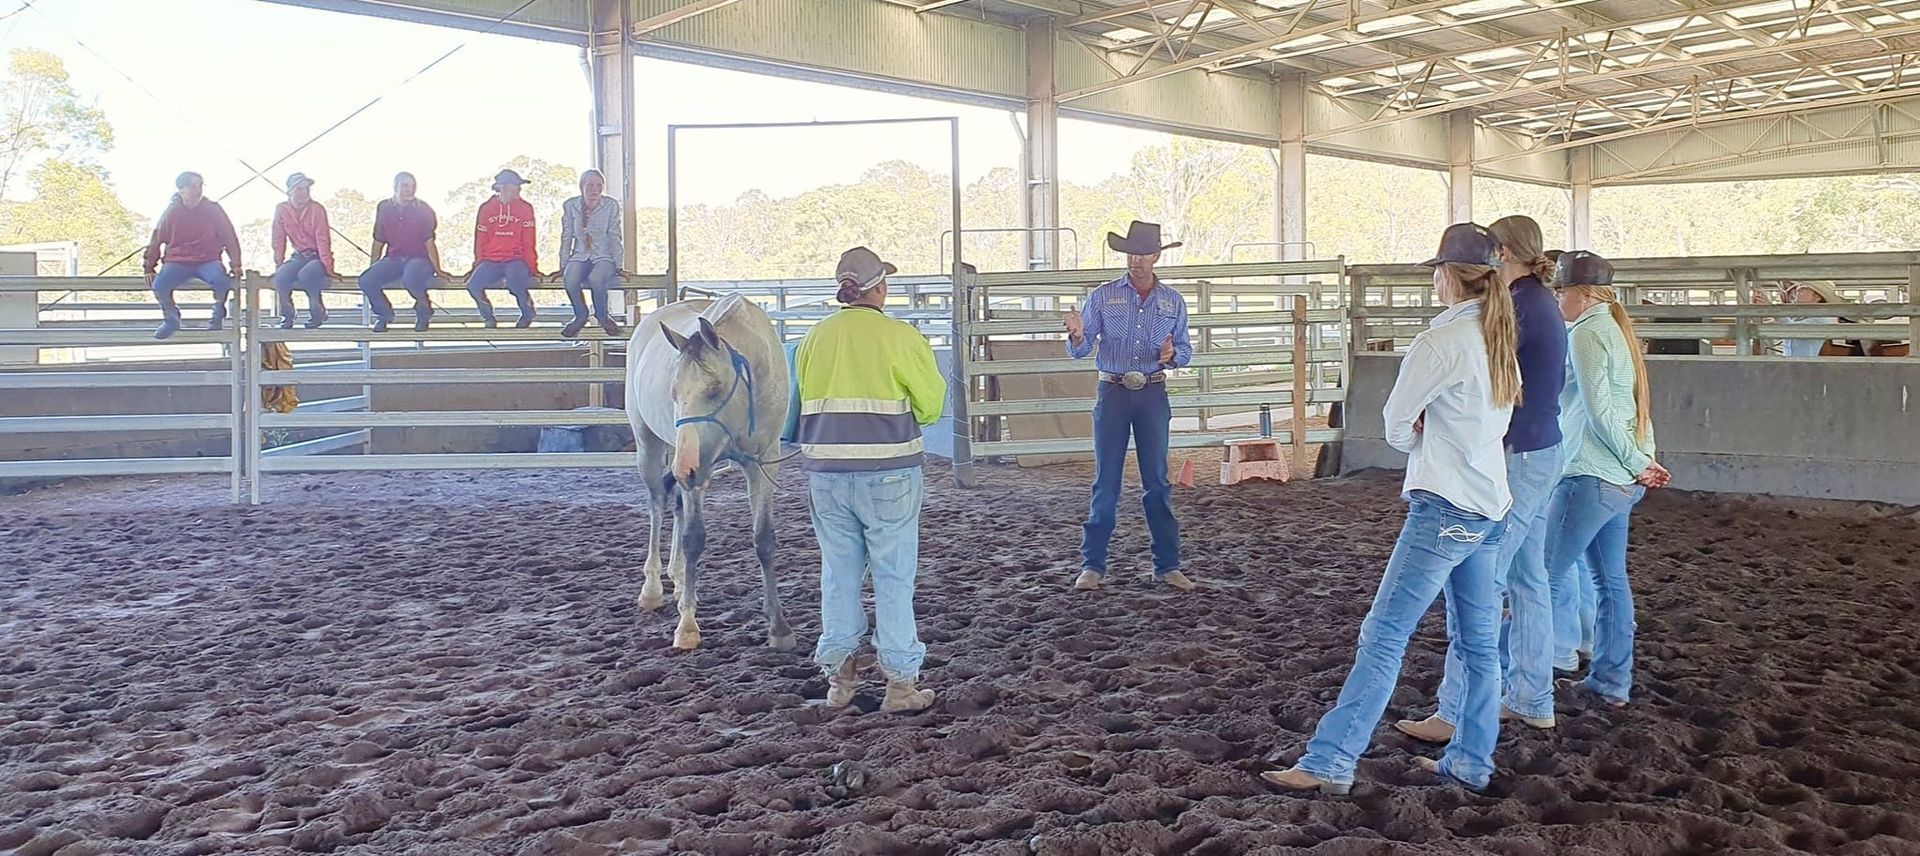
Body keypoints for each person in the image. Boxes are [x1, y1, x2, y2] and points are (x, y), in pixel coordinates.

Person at [1263, 223, 1519, 795]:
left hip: (1445, 505)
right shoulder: (1497, 337)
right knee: (1478, 643)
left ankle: (1331, 759)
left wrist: (1420, 433)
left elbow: (1396, 426)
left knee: (1384, 635)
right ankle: (1472, 761)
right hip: (1489, 504)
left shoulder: (1440, 343)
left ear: (1447, 275)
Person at [1395, 214, 1567, 745]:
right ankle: (1532, 696)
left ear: (1505, 254)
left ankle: (1455, 709)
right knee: (1528, 579)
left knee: (1483, 583)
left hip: (1514, 454)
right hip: (1543, 447)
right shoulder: (1539, 303)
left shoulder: (1514, 309)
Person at [796, 247, 948, 714]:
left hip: (826, 474)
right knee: (893, 574)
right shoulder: (901, 337)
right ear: (880, 287)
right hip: (889, 474)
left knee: (838, 574)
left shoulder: (814, 339)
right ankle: (900, 686)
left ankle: (840, 681)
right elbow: (930, 407)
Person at [1543, 251, 1670, 708]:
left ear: (1579, 293)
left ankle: (1526, 684)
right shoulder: (1616, 331)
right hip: (1619, 480)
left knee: (1542, 577)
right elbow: (1623, 407)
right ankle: (1612, 681)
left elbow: (1598, 412)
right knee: (1610, 582)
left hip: (1591, 473)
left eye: (1560, 290)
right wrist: (1641, 460)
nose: (1557, 298)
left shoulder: (1587, 334)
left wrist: (1636, 460)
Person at [1062, 220, 1195, 593]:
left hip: (1152, 390)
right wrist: (1076, 335)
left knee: (1157, 480)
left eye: (1143, 254)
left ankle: (1167, 564)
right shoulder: (1103, 297)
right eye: (1131, 253)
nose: (1136, 260)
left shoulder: (1173, 301)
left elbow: (1186, 350)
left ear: (1155, 256)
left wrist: (1172, 356)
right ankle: (1093, 565)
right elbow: (1082, 348)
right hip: (1115, 391)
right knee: (1107, 480)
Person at [143, 171, 243, 341]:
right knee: (159, 285)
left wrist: (236, 263)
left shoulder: (213, 209)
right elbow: (157, 238)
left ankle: (218, 313)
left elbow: (229, 236)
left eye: (200, 185)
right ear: (181, 189)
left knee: (221, 280)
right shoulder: (172, 211)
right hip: (178, 260)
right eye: (192, 186)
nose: (197, 190)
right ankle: (171, 318)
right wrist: (149, 266)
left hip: (208, 258)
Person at [360, 172, 445, 333]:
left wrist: (438, 269)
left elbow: (429, 241)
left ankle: (423, 310)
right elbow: (379, 239)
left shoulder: (423, 209)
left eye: (412, 186)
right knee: (366, 280)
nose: (409, 190)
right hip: (394, 257)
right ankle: (384, 314)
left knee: (411, 278)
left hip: (419, 257)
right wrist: (373, 265)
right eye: (405, 186)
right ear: (395, 187)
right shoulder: (384, 207)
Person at [467, 169, 540, 328]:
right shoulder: (486, 208)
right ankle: (488, 316)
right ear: (504, 187)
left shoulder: (525, 208)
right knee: (473, 285)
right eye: (516, 185)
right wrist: (478, 263)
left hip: (515, 258)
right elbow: (480, 239)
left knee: (516, 282)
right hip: (491, 260)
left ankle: (527, 312)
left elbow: (529, 240)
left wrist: (532, 267)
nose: (519, 189)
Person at [559, 169, 624, 339]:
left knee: (597, 279)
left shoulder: (610, 205)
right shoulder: (570, 205)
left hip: (603, 256)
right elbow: (566, 236)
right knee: (570, 278)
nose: (594, 189)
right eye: (590, 185)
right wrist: (563, 265)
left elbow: (615, 235)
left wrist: (619, 265)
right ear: (582, 187)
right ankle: (580, 315)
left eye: (598, 185)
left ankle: (602, 316)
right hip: (580, 254)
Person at [269, 172, 335, 330]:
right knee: (280, 277)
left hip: (316, 256)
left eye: (306, 189)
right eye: (299, 188)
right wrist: (279, 263)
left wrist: (328, 266)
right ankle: (288, 315)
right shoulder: (282, 209)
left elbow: (323, 238)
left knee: (307, 274)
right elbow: (278, 238)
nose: (303, 192)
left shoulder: (317, 209)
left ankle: (317, 312)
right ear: (290, 191)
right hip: (298, 255)